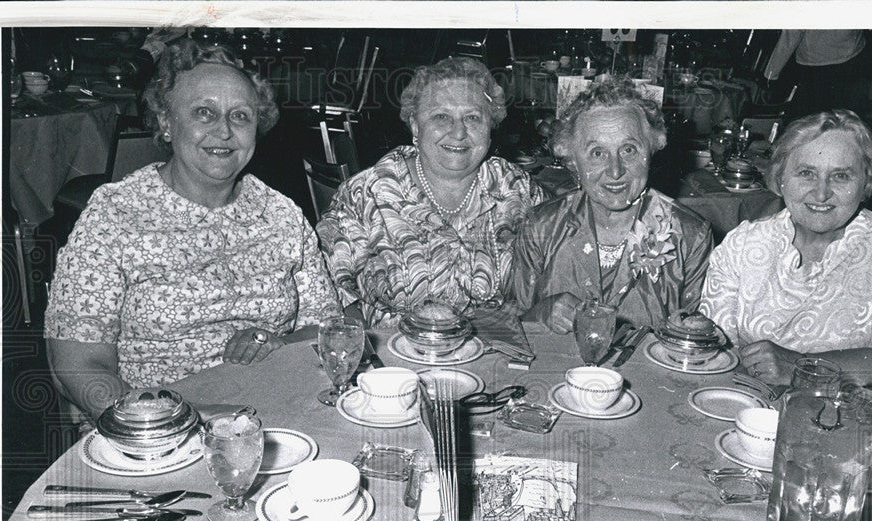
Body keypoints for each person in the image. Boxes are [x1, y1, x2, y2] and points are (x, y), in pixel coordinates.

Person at [44, 40, 339, 420]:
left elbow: (327, 329)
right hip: (155, 429)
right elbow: (78, 365)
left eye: (241, 116)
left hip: (275, 415)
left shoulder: (281, 215)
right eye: (204, 113)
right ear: (166, 123)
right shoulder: (116, 216)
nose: (224, 132)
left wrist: (275, 342)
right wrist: (170, 421)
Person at [700, 110, 872, 392]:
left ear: (866, 183)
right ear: (781, 177)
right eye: (806, 173)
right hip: (744, 403)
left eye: (841, 176)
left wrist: (802, 366)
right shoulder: (743, 243)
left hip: (842, 418)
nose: (821, 194)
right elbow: (711, 348)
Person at [316, 56, 546, 326]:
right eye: (441, 117)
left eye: (473, 117)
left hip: (495, 354)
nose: (458, 132)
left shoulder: (517, 189)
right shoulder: (368, 194)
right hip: (397, 357)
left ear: (491, 126)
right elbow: (328, 298)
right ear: (415, 125)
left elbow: (554, 270)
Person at [511, 76, 713, 333]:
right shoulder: (541, 227)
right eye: (597, 153)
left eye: (628, 150)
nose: (615, 170)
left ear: (653, 148)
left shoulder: (690, 236)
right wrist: (537, 314)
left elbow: (700, 341)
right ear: (572, 159)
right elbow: (511, 327)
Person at [763, 30, 870, 120]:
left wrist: (770, 74)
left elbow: (791, 35)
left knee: (813, 119)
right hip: (851, 55)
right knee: (846, 118)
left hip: (815, 63)